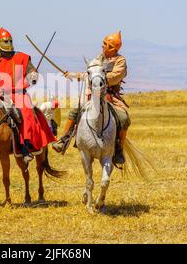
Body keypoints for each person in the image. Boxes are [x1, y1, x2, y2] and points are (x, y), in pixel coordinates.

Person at [52, 31, 131, 166]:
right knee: (75, 111)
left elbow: (116, 76)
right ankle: (64, 140)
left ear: (114, 48)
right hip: (94, 95)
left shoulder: (120, 61)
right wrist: (72, 75)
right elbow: (89, 72)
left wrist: (98, 78)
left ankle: (118, 150)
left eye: (107, 45)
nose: (104, 47)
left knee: (124, 119)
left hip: (111, 96)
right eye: (104, 43)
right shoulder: (99, 58)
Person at [0, 27, 56, 163]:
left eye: (9, 41)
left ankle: (25, 146)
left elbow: (31, 70)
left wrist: (32, 75)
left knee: (27, 113)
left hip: (18, 94)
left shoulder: (22, 57)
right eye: (4, 41)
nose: (7, 44)